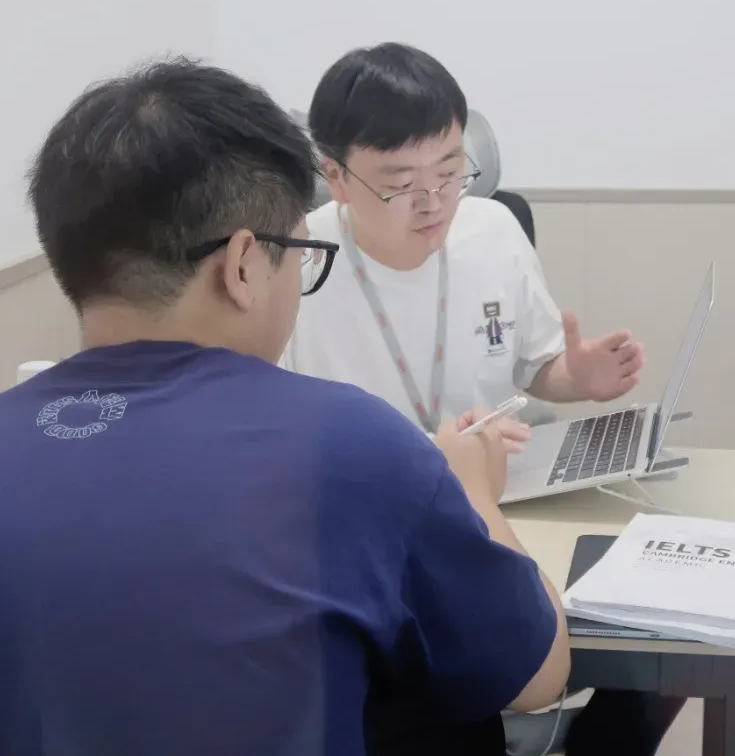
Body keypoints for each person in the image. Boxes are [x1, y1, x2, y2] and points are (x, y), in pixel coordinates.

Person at [0, 57, 570, 756]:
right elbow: (537, 677)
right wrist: (472, 489)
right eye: (299, 252)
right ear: (243, 265)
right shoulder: (354, 446)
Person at [283, 42, 684, 755]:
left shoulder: (493, 230)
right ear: (335, 176)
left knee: (647, 652)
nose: (434, 201)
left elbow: (537, 369)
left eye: (449, 171)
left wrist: (574, 376)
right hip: (367, 541)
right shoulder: (294, 261)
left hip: (497, 510)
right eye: (400, 183)